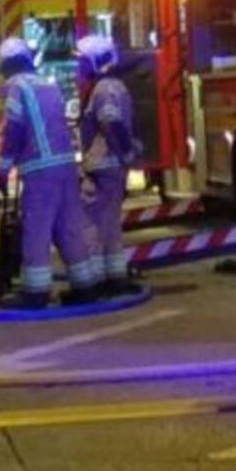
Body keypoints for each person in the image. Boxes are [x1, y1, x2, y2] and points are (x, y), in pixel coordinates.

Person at [0, 38, 99, 308]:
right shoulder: (48, 85)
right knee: (68, 228)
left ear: (6, 66)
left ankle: (35, 292)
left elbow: (14, 130)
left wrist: (3, 168)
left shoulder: (17, 88)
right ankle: (85, 287)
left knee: (36, 230)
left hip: (41, 172)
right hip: (66, 167)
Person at [77, 34, 143, 296]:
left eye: (82, 61)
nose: (78, 68)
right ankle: (115, 276)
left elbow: (111, 121)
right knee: (109, 223)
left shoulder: (104, 89)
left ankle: (96, 282)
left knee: (92, 224)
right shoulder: (113, 86)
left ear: (96, 61)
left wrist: (125, 151)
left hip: (104, 165)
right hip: (109, 165)